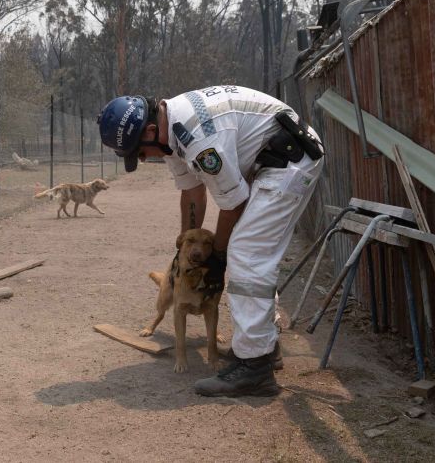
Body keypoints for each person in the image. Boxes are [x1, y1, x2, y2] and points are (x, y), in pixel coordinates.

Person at [97, 86, 324, 397]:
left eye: (140, 152)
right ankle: (262, 347)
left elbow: (232, 205)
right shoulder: (171, 133)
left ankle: (255, 366)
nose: (143, 158)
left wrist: (216, 257)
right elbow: (192, 193)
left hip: (290, 162)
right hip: (271, 161)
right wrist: (185, 253)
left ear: (150, 131)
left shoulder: (198, 139)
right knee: (249, 252)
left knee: (246, 252)